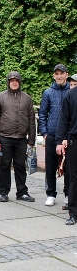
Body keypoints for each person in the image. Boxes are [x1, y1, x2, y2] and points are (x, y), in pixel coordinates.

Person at [0, 71, 36, 203]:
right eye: (12, 80)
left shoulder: (27, 98)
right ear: (8, 82)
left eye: (16, 80)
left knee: (20, 166)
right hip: (4, 137)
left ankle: (22, 192)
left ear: (20, 82)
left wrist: (31, 141)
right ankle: (3, 192)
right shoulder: (0, 98)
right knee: (4, 165)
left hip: (21, 138)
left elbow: (31, 121)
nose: (14, 82)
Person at [39, 64, 70, 206]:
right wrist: (44, 133)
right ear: (53, 76)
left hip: (68, 136)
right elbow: (42, 114)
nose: (59, 76)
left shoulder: (72, 91)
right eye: (56, 74)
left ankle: (68, 193)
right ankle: (51, 194)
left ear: (66, 75)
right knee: (50, 167)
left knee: (69, 167)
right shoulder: (48, 92)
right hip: (52, 135)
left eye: (61, 73)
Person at [56, 84, 77, 224]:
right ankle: (74, 213)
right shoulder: (71, 94)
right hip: (75, 140)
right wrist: (59, 140)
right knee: (74, 177)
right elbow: (63, 119)